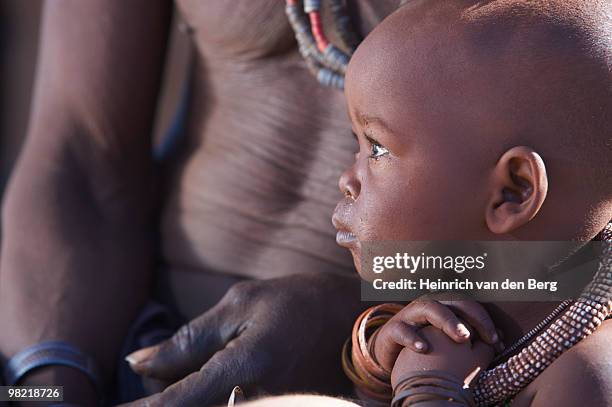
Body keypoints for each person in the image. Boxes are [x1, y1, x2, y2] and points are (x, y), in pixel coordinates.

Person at [330, 0, 612, 405]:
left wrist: (428, 392)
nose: (346, 180)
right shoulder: (447, 302)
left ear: (512, 192)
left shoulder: (590, 374)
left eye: (376, 149)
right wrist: (379, 363)